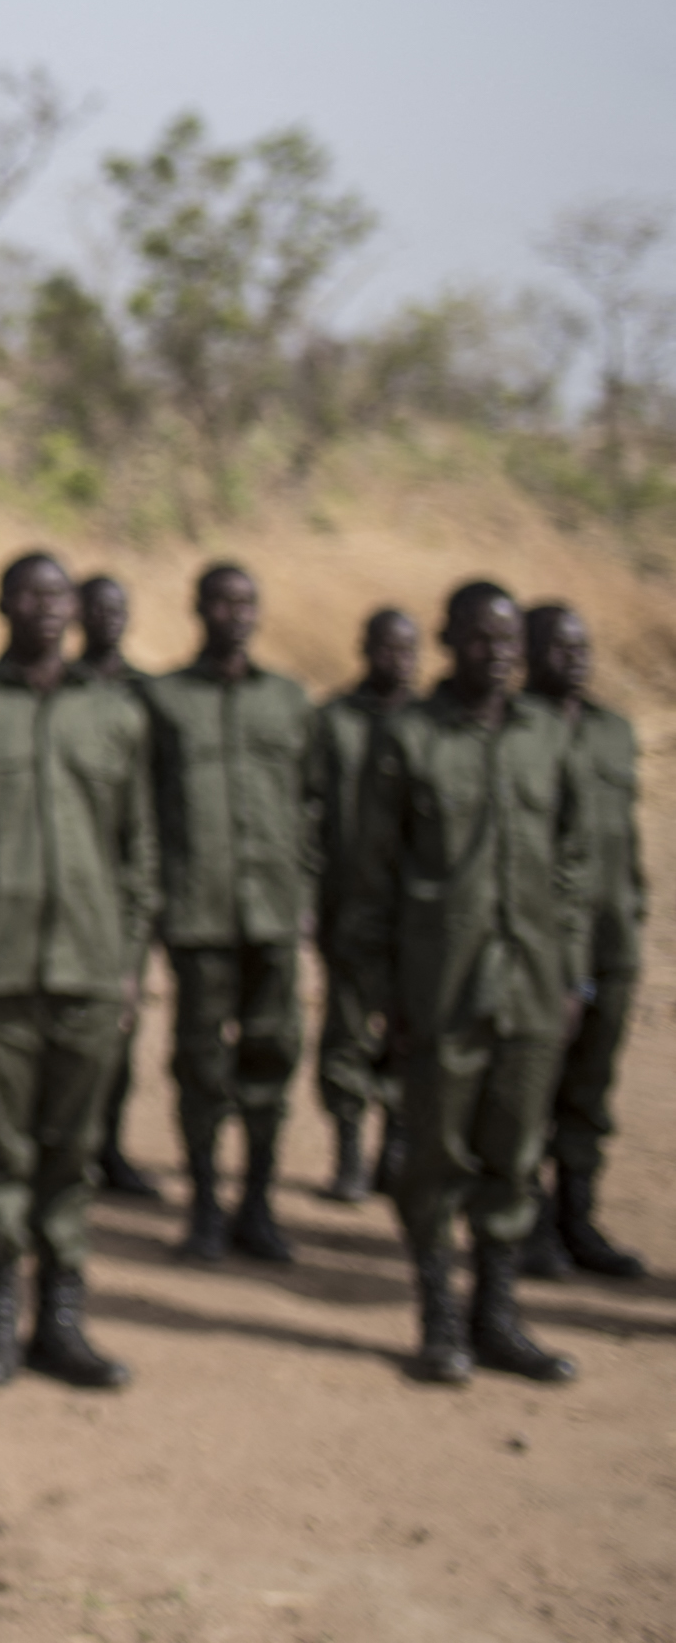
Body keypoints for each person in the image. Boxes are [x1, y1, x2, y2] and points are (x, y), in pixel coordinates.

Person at [0, 552, 156, 1391]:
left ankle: (60, 1323)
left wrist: (127, 963)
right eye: (27, 592)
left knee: (71, 1156)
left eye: (57, 594)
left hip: (90, 973)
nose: (44, 607)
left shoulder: (116, 716)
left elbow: (137, 855)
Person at [352, 582, 587, 1385]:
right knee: (433, 1162)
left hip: (528, 987)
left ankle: (498, 1316)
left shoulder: (543, 738)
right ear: (449, 643)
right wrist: (383, 996)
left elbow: (568, 867)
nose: (499, 655)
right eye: (481, 640)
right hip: (439, 993)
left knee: (513, 1157)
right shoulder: (407, 740)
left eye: (510, 641)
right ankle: (438, 1319)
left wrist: (568, 976)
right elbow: (370, 882)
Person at [139, 563, 317, 1267]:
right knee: (200, 1066)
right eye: (220, 601)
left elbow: (312, 809)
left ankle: (258, 1205)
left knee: (269, 1061)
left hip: (272, 913)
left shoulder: (287, 702)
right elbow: (142, 810)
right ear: (197, 609)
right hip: (198, 913)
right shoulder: (164, 701)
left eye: (246, 601)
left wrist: (306, 894)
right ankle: (204, 1205)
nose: (233, 613)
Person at [524, 604, 644, 1281]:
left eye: (582, 646)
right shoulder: (515, 731)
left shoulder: (613, 732)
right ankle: (529, 1226)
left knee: (589, 1092)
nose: (575, 658)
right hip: (542, 948)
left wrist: (635, 906)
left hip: (612, 940)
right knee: (529, 1092)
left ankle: (578, 1218)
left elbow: (621, 842)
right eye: (558, 647)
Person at [309, 608, 418, 1203]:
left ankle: (395, 1149)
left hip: (422, 917)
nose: (398, 659)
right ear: (364, 648)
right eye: (387, 647)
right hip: (348, 905)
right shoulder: (332, 722)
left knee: (409, 1033)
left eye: (409, 648)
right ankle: (348, 1154)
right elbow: (307, 813)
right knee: (347, 1033)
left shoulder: (434, 727)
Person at [73, 571, 167, 1204]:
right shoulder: (64, 692)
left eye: (118, 607)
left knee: (121, 1026)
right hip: (70, 881)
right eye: (96, 608)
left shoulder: (148, 697)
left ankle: (110, 1144)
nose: (108, 618)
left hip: (126, 885)